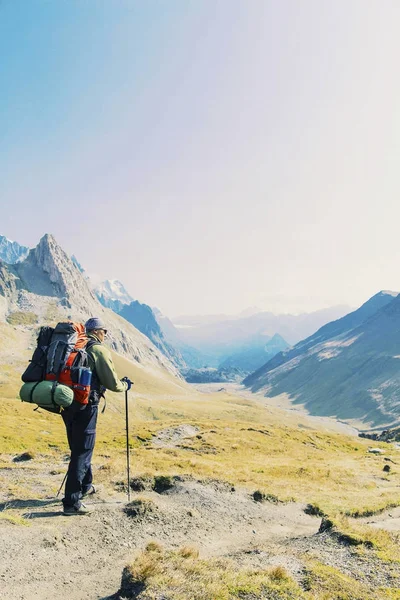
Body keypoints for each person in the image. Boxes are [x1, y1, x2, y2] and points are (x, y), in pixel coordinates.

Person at [62, 317, 132, 515]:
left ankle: (86, 486)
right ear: (98, 331)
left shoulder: (75, 345)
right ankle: (71, 503)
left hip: (67, 403)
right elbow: (112, 383)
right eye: (105, 332)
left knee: (78, 447)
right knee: (83, 450)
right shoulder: (98, 349)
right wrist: (125, 385)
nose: (105, 335)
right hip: (86, 405)